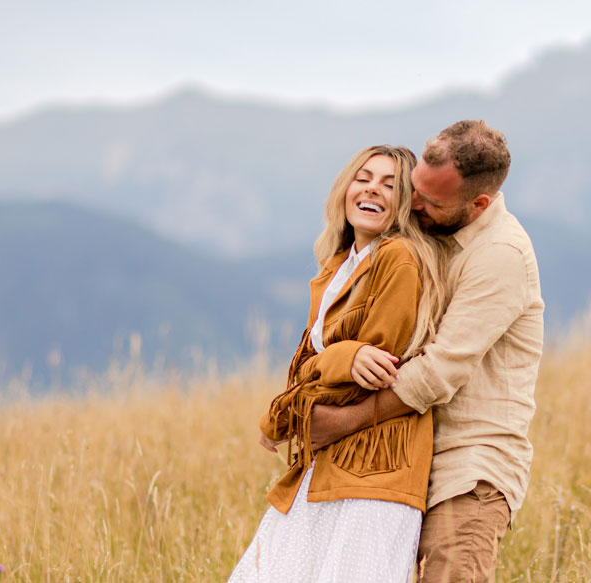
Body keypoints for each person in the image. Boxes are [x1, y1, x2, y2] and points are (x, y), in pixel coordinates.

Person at [308, 120, 544, 582]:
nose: (413, 204)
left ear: (479, 204)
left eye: (431, 201)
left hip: (469, 468)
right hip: (403, 461)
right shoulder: (422, 236)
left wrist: (338, 424)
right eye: (414, 188)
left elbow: (437, 373)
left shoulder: (501, 255)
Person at [228, 144, 451, 583]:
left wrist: (290, 405)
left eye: (390, 184)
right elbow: (319, 366)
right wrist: (332, 366)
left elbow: (366, 375)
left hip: (375, 471)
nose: (372, 190)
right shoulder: (338, 267)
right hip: (333, 462)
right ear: (345, 188)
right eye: (363, 178)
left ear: (406, 202)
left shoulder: (398, 258)